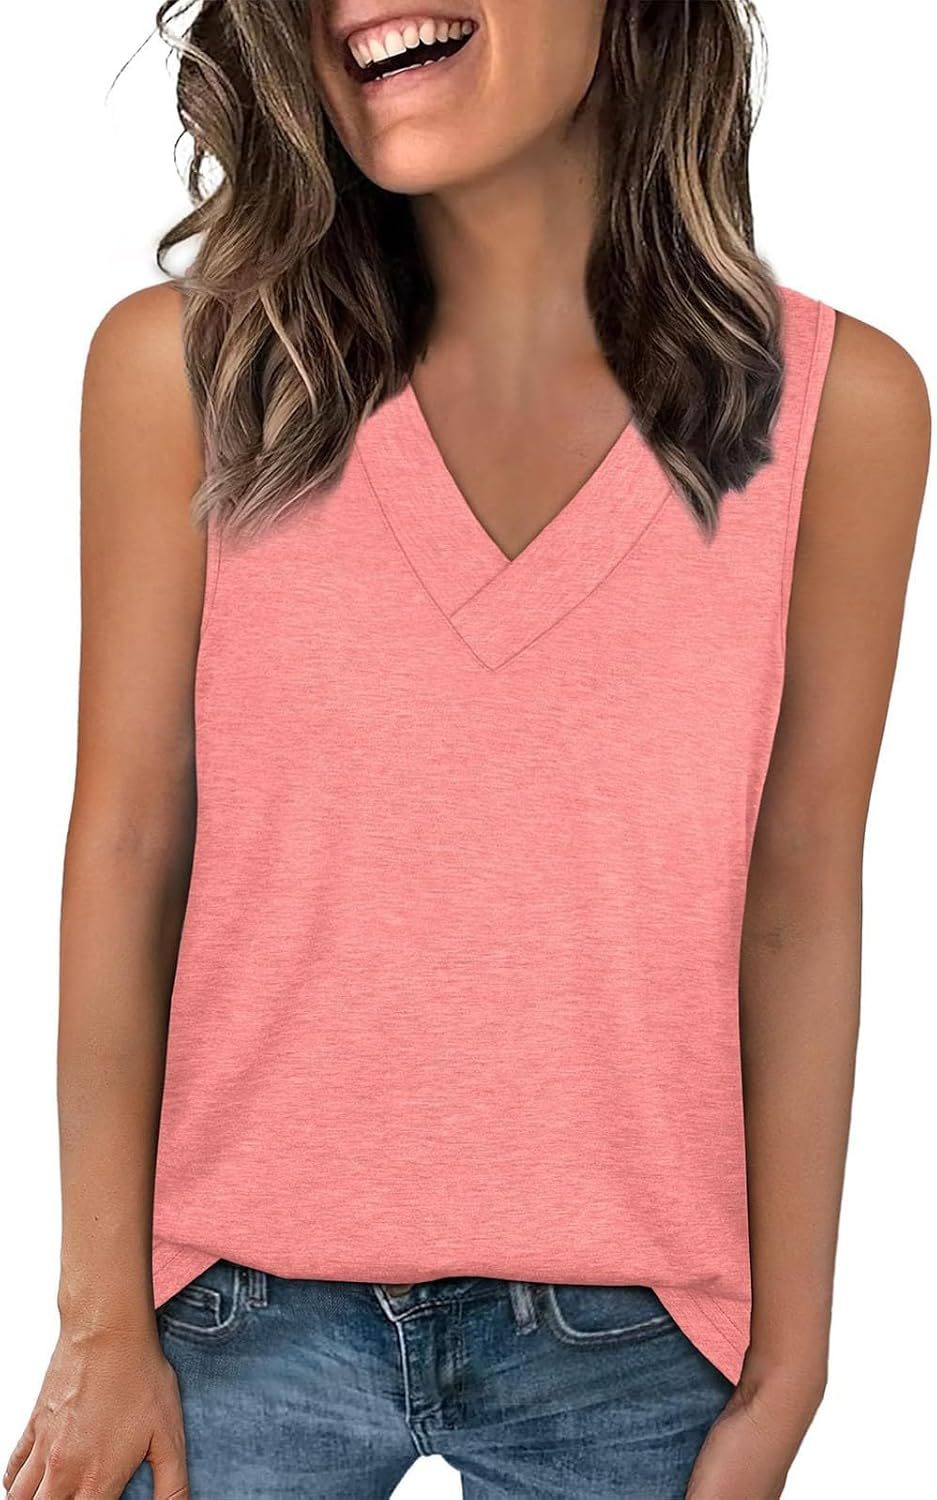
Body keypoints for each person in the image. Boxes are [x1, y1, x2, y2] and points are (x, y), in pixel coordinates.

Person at [3, 2, 930, 1498]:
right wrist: (99, 1319)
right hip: (228, 1325)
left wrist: (790, 1370)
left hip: (640, 1352)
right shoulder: (187, 373)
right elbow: (125, 842)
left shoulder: (839, 411)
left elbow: (802, 887)